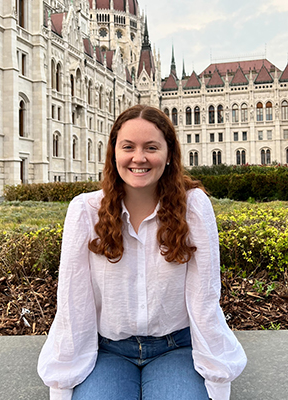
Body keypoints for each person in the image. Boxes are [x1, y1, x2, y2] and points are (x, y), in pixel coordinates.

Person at [37, 105, 247, 400]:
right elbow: (73, 302)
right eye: (128, 147)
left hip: (175, 349)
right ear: (113, 153)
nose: (139, 158)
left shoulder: (194, 207)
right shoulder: (85, 211)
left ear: (170, 154)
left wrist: (218, 379)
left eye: (151, 147)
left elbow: (205, 299)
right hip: (108, 351)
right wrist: (62, 384)